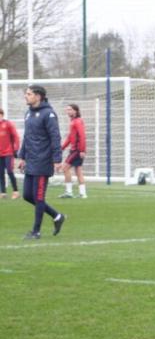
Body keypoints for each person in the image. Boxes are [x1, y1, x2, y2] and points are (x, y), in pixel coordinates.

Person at [16, 85, 66, 239]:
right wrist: (22, 156)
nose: (26, 96)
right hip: (31, 161)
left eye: (29, 94)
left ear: (38, 96)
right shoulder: (28, 114)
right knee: (27, 196)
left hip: (43, 162)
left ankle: (36, 232)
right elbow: (27, 138)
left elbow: (55, 137)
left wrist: (57, 159)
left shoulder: (49, 114)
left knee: (38, 198)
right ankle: (57, 216)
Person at [59, 104, 88, 199]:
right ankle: (82, 194)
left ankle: (69, 192)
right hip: (75, 150)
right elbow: (70, 137)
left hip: (77, 150)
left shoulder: (78, 121)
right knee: (78, 171)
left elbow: (82, 136)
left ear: (75, 111)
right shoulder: (73, 121)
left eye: (70, 110)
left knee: (65, 168)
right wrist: (62, 148)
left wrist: (82, 150)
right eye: (67, 110)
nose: (68, 111)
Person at [0, 108, 21, 199]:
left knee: (9, 171)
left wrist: (16, 149)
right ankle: (3, 192)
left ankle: (16, 191)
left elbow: (16, 137)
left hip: (8, 152)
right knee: (0, 173)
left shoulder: (8, 124)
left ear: (2, 114)